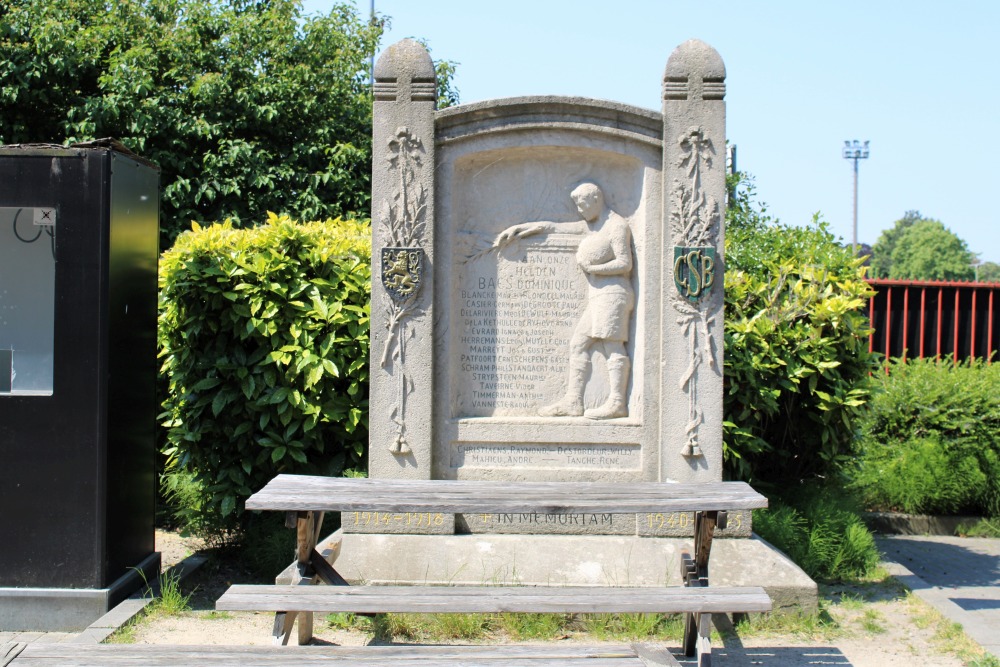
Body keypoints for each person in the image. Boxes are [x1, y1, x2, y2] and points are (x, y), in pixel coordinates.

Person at [495, 182, 634, 419]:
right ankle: (573, 402)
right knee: (578, 344)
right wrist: (524, 228)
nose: (580, 211)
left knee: (612, 346)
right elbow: (558, 228)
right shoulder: (593, 226)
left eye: (582, 205)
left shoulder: (616, 226)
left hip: (614, 294)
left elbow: (625, 263)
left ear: (595, 199)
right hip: (598, 296)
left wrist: (594, 268)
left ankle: (617, 403)